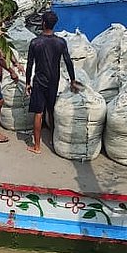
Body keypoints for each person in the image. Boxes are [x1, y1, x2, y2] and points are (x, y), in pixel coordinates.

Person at [25, 10, 79, 153]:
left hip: (39, 81)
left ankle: (36, 146)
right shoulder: (61, 42)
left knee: (38, 113)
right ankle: (54, 141)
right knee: (51, 110)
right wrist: (72, 80)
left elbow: (30, 64)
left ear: (43, 23)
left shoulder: (35, 42)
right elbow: (68, 62)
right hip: (54, 80)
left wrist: (27, 83)